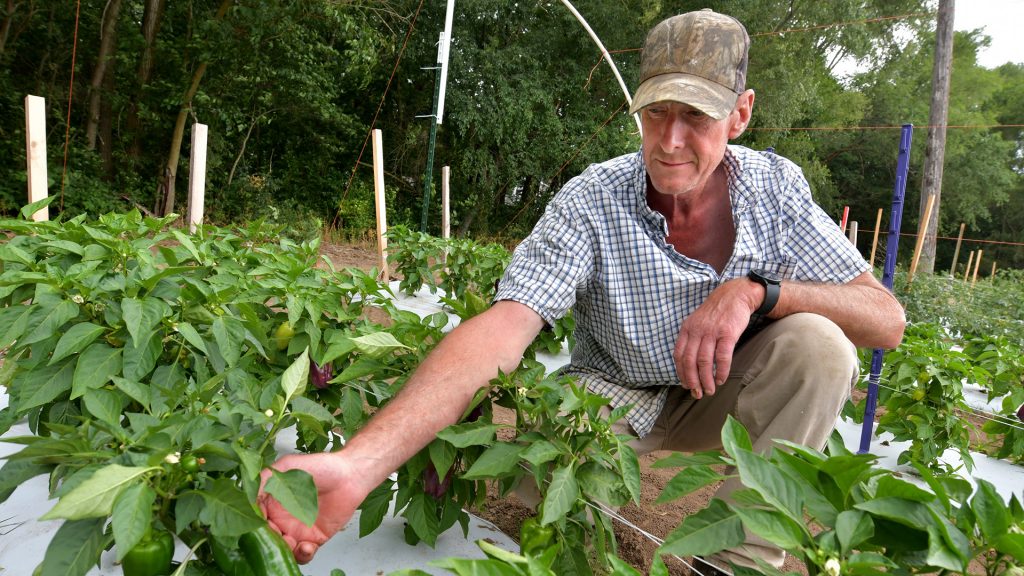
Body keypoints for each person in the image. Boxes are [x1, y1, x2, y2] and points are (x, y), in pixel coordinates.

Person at [258, 9, 905, 575]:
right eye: (656, 112)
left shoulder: (774, 189)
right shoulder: (593, 199)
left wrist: (758, 292)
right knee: (539, 495)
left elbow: (885, 318)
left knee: (820, 345)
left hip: (726, 392)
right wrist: (359, 463)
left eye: (696, 116)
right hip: (610, 395)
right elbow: (508, 324)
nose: (670, 140)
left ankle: (737, 563)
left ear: (740, 114)